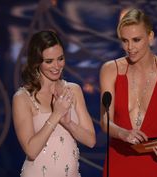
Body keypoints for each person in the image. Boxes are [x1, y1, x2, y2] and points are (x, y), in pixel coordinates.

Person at [100, 8, 157, 177]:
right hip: (119, 161)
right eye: (124, 41)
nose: (130, 47)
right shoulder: (110, 70)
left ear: (151, 37)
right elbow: (105, 121)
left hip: (156, 162)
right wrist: (123, 133)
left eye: (136, 40)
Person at [12, 30, 96, 177]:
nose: (57, 66)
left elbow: (90, 140)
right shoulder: (22, 98)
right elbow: (31, 151)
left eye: (60, 58)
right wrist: (56, 114)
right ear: (36, 62)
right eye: (49, 61)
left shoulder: (73, 90)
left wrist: (69, 123)